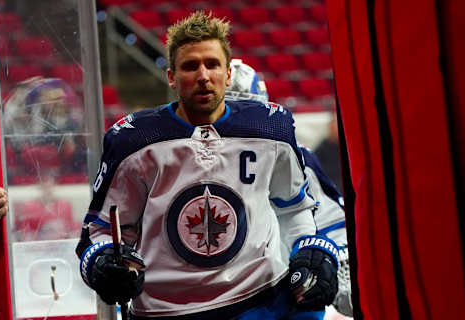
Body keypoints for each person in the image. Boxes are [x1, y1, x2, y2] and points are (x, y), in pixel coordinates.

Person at [76, 11, 339, 319]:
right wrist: (102, 262)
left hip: (263, 302)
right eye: (190, 66)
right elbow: (100, 232)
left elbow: (293, 210)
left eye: (212, 64)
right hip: (166, 311)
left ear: (228, 73)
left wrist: (309, 249)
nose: (203, 75)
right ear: (171, 76)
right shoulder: (132, 141)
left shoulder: (272, 128)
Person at [225, 59, 353, 318]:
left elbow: (333, 223)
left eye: (246, 110)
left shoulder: (293, 155)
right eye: (228, 110)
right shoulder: (173, 157)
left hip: (280, 297)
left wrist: (337, 277)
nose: (236, 121)